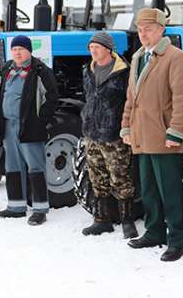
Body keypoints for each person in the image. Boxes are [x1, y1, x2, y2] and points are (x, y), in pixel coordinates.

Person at [120, 8, 183, 262]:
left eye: (148, 29)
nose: (143, 34)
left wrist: (176, 132)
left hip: (164, 136)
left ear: (161, 30)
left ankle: (176, 241)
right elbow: (131, 97)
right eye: (140, 30)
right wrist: (126, 126)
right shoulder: (139, 57)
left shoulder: (175, 58)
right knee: (149, 189)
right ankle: (154, 232)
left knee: (170, 191)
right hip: (142, 136)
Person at [0, 35, 59, 226]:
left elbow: (52, 98)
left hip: (29, 126)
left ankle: (40, 209)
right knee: (12, 167)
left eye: (21, 49)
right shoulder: (7, 69)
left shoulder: (40, 71)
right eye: (14, 49)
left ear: (29, 51)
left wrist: (39, 121)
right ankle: (16, 206)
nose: (17, 52)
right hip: (8, 126)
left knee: (36, 167)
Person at [79, 31, 137, 239]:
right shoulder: (88, 70)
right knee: (97, 177)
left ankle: (127, 221)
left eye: (97, 47)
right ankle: (101, 220)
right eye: (91, 48)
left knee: (120, 178)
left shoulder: (124, 72)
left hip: (114, 134)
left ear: (108, 49)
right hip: (92, 133)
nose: (93, 51)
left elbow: (131, 102)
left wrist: (126, 127)